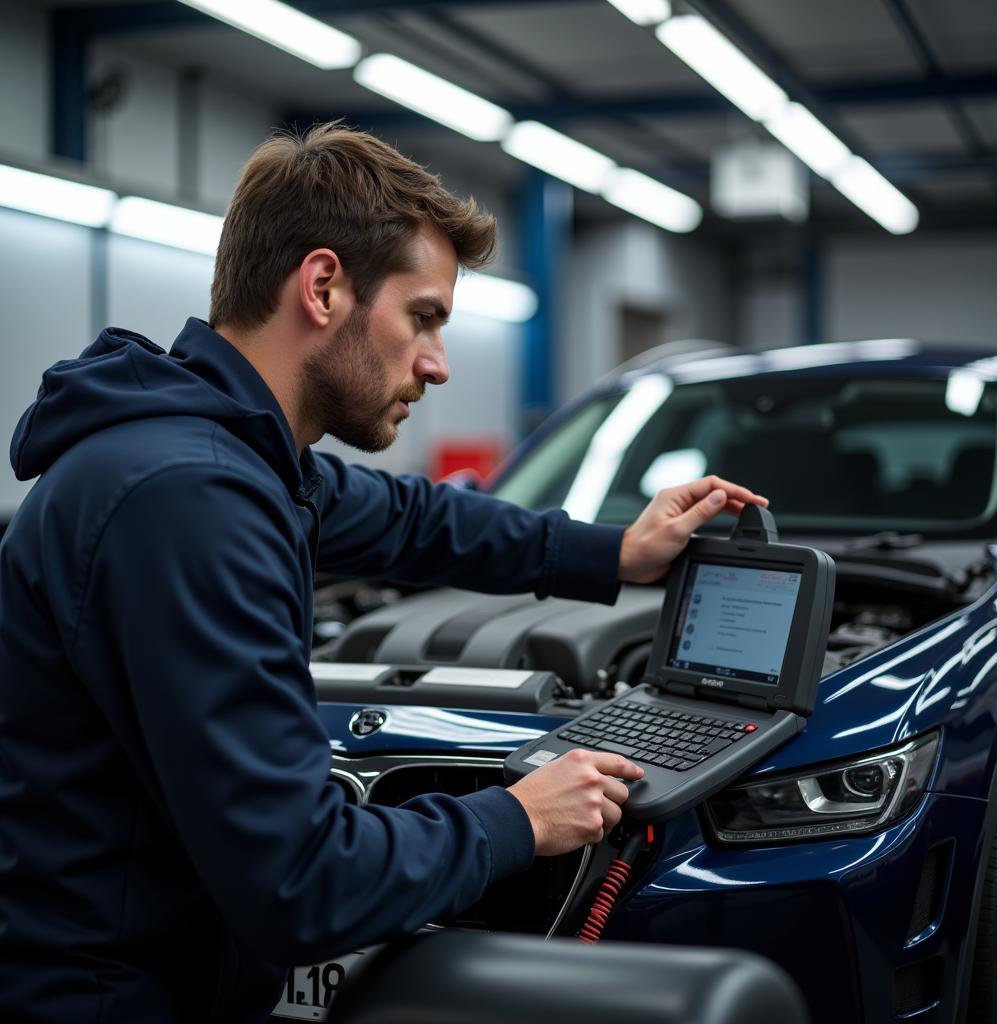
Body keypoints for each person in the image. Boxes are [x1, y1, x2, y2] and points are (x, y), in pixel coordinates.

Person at [0, 122, 766, 1023]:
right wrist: (519, 818)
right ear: (323, 287)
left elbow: (414, 517)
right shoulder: (187, 498)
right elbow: (301, 881)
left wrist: (614, 553)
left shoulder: (237, 457)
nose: (437, 363)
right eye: (425, 317)